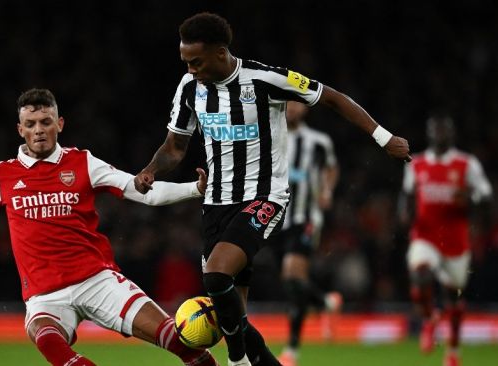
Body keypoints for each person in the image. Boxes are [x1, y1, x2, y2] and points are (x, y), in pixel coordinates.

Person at [133, 12, 411, 366]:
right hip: (216, 204)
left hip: (264, 197)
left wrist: (383, 137)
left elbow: (332, 97)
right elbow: (175, 147)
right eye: (186, 62)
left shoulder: (265, 79)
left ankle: (236, 362)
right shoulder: (190, 88)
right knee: (236, 314)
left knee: (216, 273)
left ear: (221, 53)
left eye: (196, 62)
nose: (191, 70)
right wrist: (151, 170)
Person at [0, 88, 219, 366]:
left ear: (59, 123)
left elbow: (141, 191)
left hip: (97, 280)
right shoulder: (4, 174)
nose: (39, 129)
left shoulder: (82, 162)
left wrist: (194, 189)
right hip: (46, 296)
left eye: (45, 121)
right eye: (31, 123)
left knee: (179, 342)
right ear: (20, 129)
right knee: (48, 339)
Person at [398, 114, 492, 366]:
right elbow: (406, 196)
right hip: (425, 235)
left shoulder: (466, 164)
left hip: (455, 240)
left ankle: (453, 351)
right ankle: (430, 319)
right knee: (421, 275)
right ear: (429, 134)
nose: (440, 134)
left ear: (452, 134)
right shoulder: (416, 164)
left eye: (444, 130)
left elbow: (487, 196)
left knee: (454, 297)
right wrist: (405, 214)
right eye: (435, 130)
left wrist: (470, 200)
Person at [276, 101, 341, 366]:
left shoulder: (318, 141)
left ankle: (292, 349)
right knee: (291, 281)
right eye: (288, 104)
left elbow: (332, 168)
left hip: (306, 217)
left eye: (297, 104)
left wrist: (327, 191)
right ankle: (325, 302)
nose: (292, 109)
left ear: (305, 109)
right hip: (278, 218)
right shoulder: (273, 136)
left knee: (292, 274)